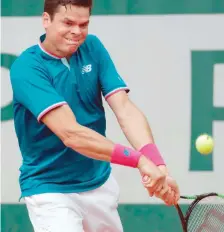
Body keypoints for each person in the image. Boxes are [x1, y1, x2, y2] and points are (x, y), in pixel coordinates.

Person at [9, 0, 180, 231]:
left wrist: (158, 165)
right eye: (68, 23)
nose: (77, 32)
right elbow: (72, 134)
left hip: (99, 183)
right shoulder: (27, 68)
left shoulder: (93, 47)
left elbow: (124, 109)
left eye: (83, 24)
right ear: (46, 20)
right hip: (51, 191)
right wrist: (139, 160)